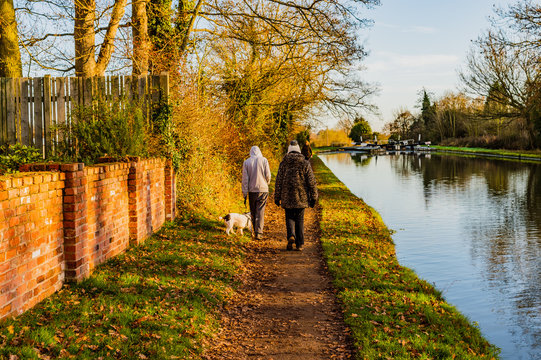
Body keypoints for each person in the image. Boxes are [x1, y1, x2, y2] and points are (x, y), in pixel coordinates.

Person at [274, 140, 318, 251]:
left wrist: (277, 197)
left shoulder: (284, 162)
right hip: (301, 196)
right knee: (300, 219)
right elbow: (311, 181)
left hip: (286, 195)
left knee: (289, 217)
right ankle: (299, 244)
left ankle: (291, 236)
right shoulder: (304, 162)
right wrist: (314, 197)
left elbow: (278, 181)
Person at [242, 146, 271, 240]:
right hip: (263, 190)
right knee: (260, 211)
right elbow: (268, 175)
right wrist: (267, 183)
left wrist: (244, 192)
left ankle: (255, 231)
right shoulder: (264, 160)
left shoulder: (246, 162)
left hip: (252, 190)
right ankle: (259, 232)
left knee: (253, 211)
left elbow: (245, 179)